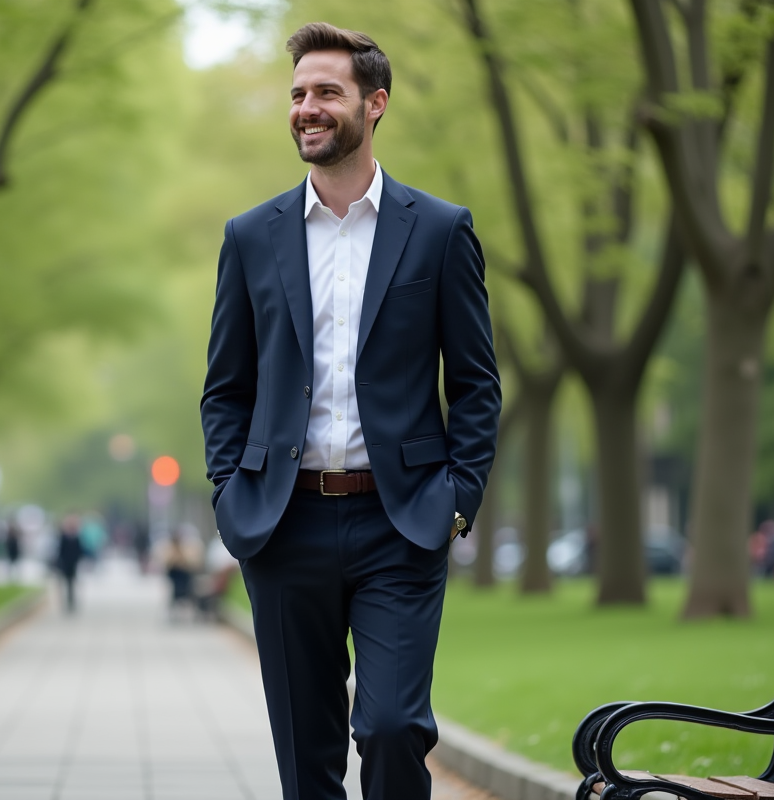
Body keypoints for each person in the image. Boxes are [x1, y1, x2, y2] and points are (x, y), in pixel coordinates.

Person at [200, 22, 501, 800]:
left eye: (326, 92)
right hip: (283, 522)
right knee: (307, 758)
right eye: (298, 93)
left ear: (376, 104)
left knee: (395, 727)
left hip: (399, 523)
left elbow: (475, 382)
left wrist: (458, 502)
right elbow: (225, 388)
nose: (307, 107)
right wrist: (232, 496)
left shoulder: (438, 231)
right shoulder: (250, 237)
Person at [54, 514, 84, 614]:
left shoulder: (76, 537)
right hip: (64, 563)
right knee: (64, 583)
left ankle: (71, 600)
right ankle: (66, 601)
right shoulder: (63, 537)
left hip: (73, 564)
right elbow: (60, 551)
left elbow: (79, 550)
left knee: (71, 583)